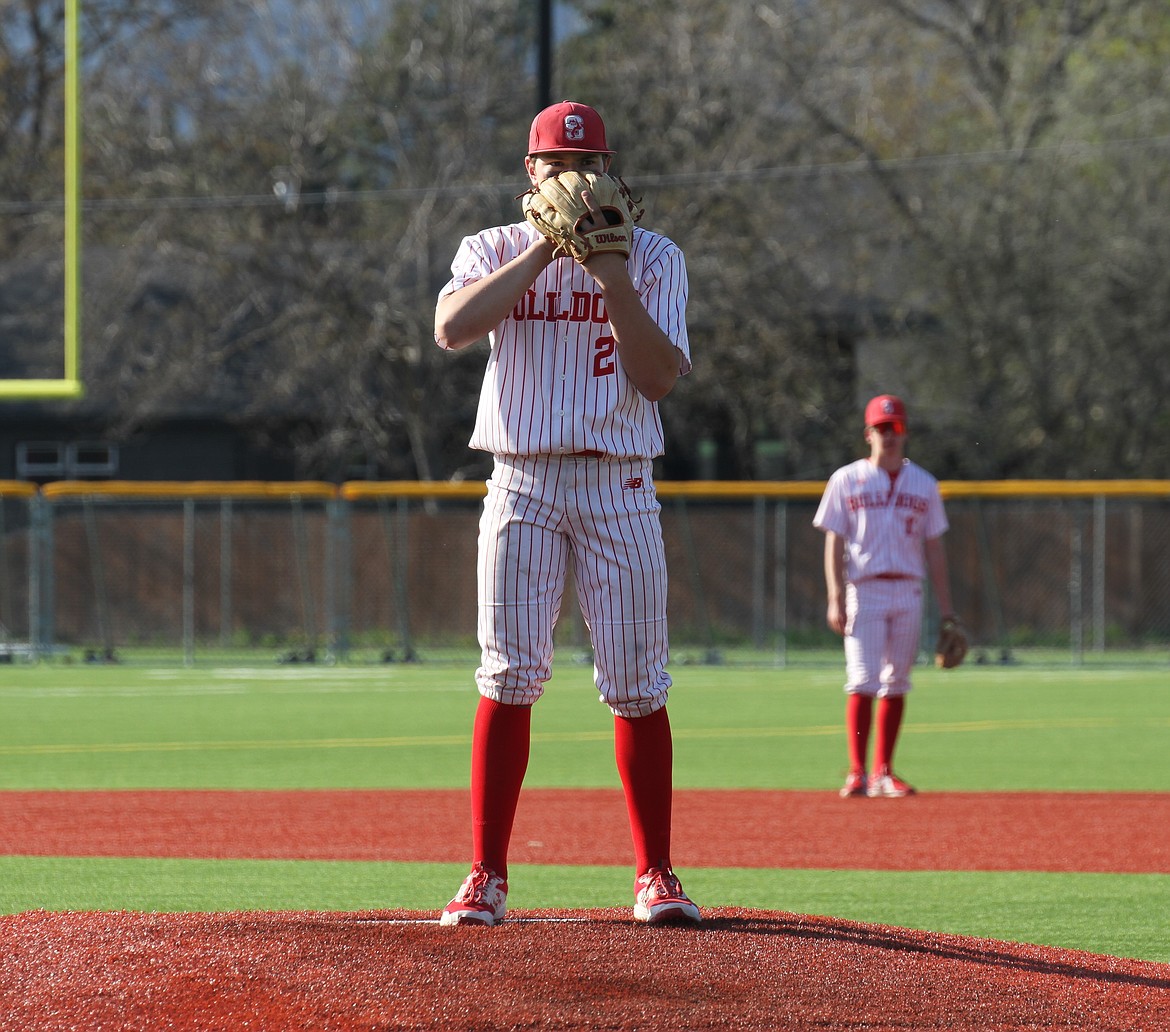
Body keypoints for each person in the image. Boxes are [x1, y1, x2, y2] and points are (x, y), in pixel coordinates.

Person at [432, 101, 700, 926]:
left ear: (612, 168)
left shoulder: (654, 257)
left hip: (619, 484)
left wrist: (608, 268)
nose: (575, 180)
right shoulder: (493, 248)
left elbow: (656, 379)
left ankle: (655, 874)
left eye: (589, 165)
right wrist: (551, 245)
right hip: (521, 478)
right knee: (508, 674)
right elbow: (451, 327)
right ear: (531, 173)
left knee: (636, 683)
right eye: (557, 166)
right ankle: (486, 875)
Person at [813, 394, 957, 799]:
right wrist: (835, 595)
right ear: (868, 434)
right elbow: (833, 541)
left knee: (896, 682)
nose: (888, 436)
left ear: (904, 432)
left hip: (909, 589)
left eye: (894, 428)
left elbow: (936, 550)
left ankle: (884, 772)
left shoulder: (925, 484)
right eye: (881, 428)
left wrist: (948, 611)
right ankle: (857, 772)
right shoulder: (846, 479)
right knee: (862, 680)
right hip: (865, 588)